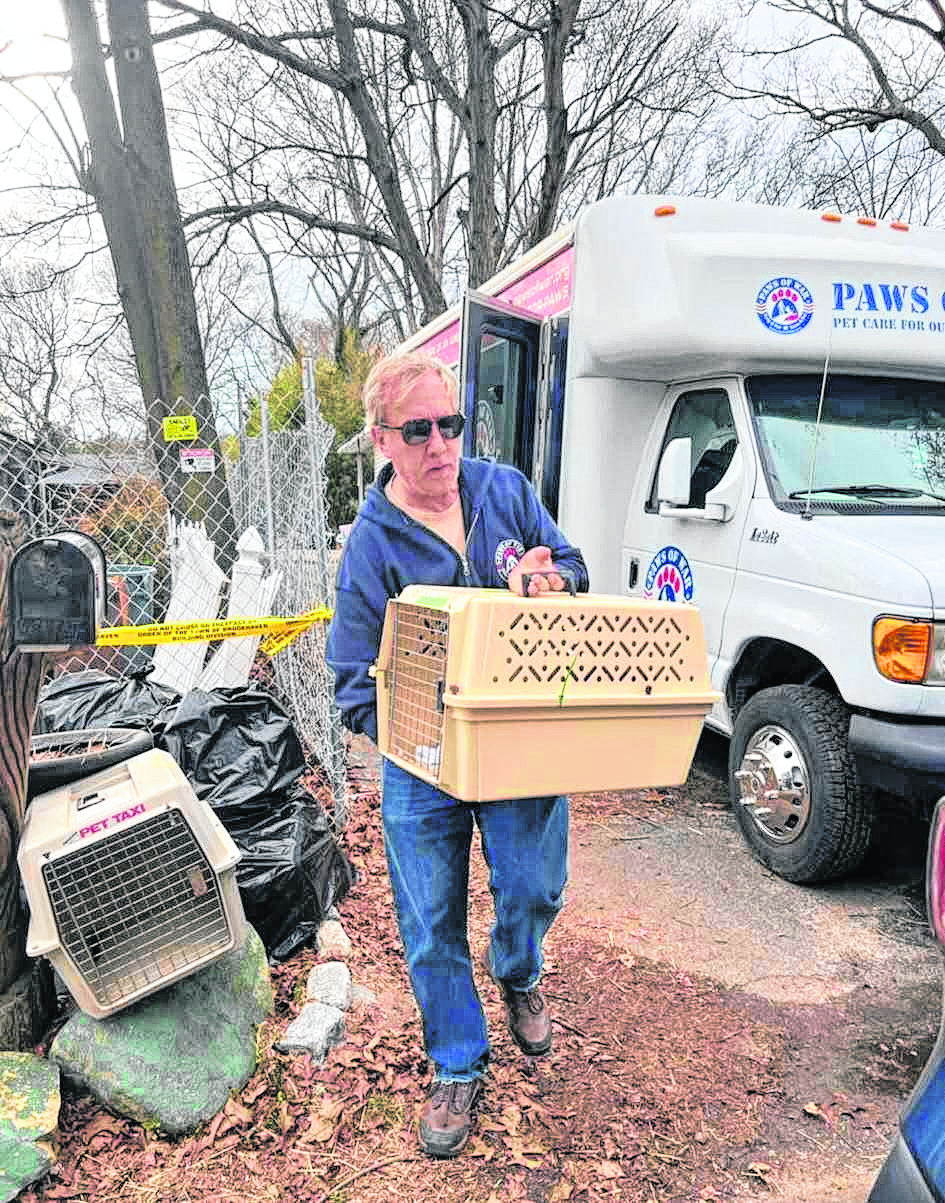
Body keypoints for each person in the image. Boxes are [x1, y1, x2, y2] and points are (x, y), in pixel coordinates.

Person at [326, 350, 589, 1159]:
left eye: (450, 423)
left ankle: (517, 966)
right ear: (383, 439)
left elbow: (572, 567)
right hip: (424, 762)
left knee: (536, 882)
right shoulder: (372, 546)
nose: (440, 443)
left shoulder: (504, 492)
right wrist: (412, 732)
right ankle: (456, 1060)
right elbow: (348, 679)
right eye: (418, 429)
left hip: (519, 744)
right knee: (429, 919)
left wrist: (554, 583)